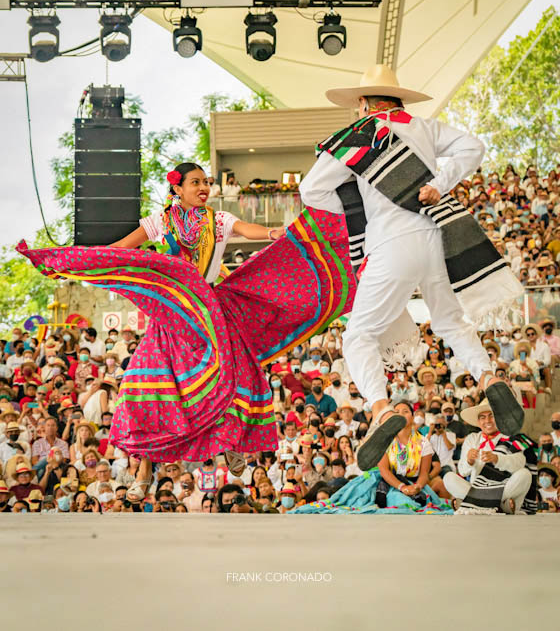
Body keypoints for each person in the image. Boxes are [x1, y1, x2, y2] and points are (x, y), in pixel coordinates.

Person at [19, 161, 355, 505]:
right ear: (177, 188)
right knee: (141, 383)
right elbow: (121, 249)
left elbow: (246, 228)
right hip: (172, 317)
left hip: (212, 312)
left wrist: (274, 233)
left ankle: (231, 443)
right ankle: (144, 470)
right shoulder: (160, 222)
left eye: (206, 182)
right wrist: (74, 263)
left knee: (232, 376)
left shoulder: (218, 220)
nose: (204, 188)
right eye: (196, 182)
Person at [299, 63, 524, 470]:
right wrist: (439, 184)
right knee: (450, 323)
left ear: (364, 102)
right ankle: (489, 377)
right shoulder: (424, 127)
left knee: (360, 335)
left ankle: (382, 408)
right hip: (437, 235)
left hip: (392, 242)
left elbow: (310, 189)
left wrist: (357, 211)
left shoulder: (359, 136)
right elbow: (473, 147)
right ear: (399, 99)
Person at [443, 399, 533, 514]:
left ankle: (473, 504)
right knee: (448, 477)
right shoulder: (472, 438)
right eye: (482, 417)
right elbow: (462, 471)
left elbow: (520, 462)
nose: (487, 421)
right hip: (476, 489)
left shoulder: (510, 437)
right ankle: (500, 505)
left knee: (525, 474)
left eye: (492, 416)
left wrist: (497, 459)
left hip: (502, 489)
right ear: (478, 422)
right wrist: (469, 461)